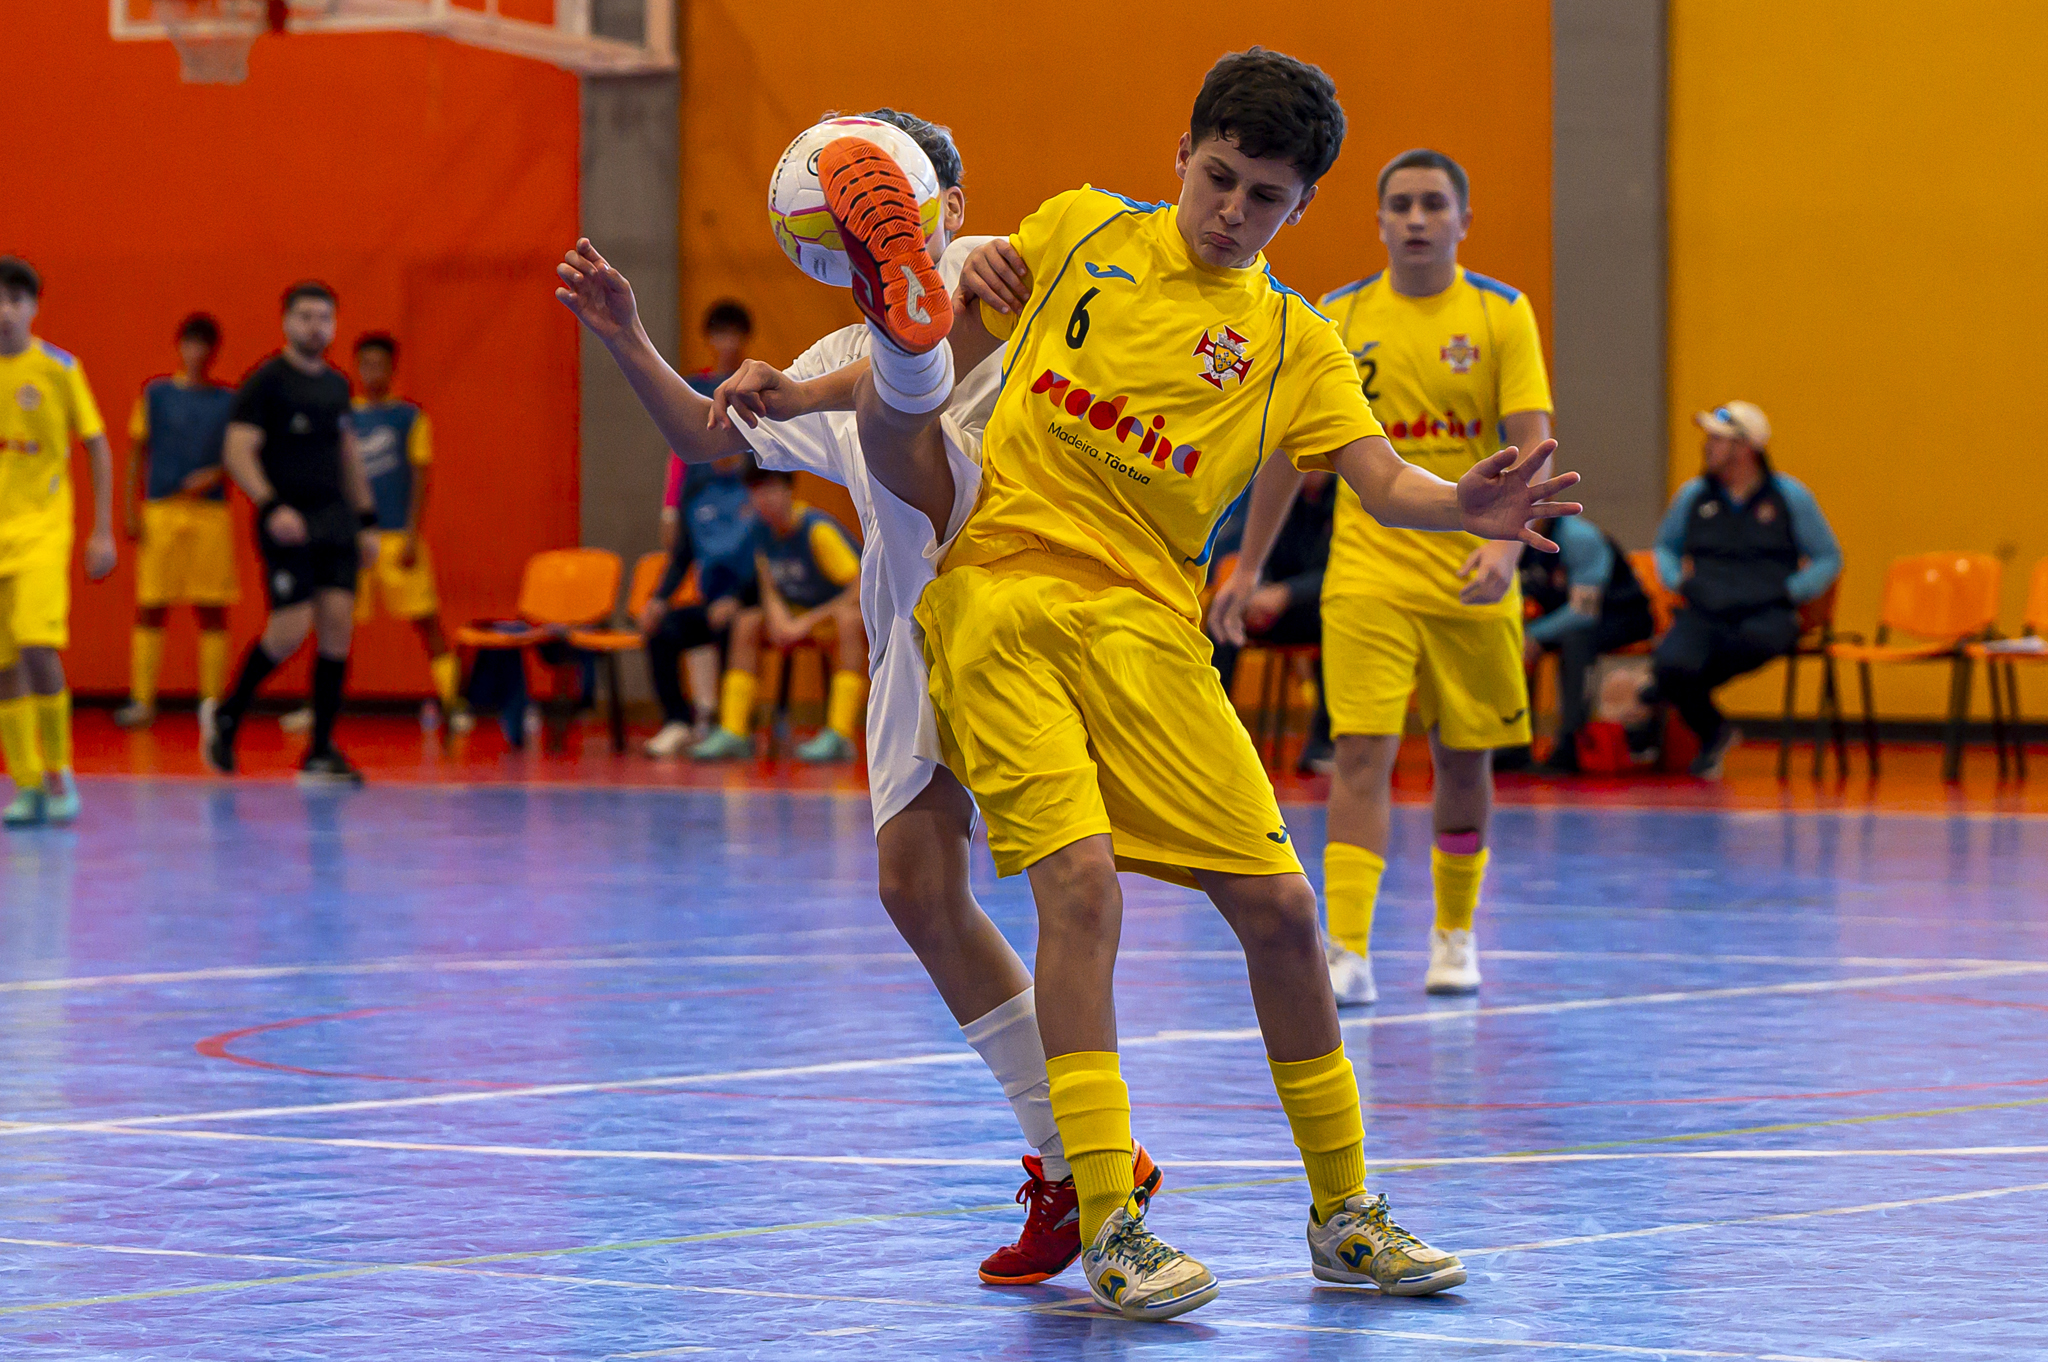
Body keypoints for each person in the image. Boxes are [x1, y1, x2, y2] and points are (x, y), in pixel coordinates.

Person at [899, 53, 1576, 1319]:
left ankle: (1343, 1214)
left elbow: (1380, 480)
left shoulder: (1291, 341)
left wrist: (1457, 505)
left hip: (1150, 632)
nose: (1231, 212)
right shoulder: (1078, 227)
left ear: (1297, 209)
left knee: (1276, 908)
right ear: (1181, 153)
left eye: (1263, 197)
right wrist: (959, 269)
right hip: (1001, 602)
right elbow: (931, 309)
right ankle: (1109, 1220)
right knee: (1079, 889)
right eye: (1217, 178)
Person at [557, 105, 1161, 1290]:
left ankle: (1099, 1162)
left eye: (890, 192)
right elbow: (710, 431)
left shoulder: (1017, 294)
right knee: (916, 892)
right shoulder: (837, 356)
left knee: (1065, 893)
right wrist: (628, 337)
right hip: (910, 645)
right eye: (855, 202)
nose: (874, 213)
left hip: (1026, 632)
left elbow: (958, 372)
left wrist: (931, 310)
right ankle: (1080, 1163)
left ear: (948, 196)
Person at [1219, 148, 1555, 1010]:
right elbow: (1288, 458)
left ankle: (1454, 933)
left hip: (1473, 572)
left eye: (1433, 204)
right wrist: (1250, 563)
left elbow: (1532, 447)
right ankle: (1349, 948)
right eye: (1400, 204)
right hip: (1367, 568)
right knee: (1360, 750)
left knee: (1464, 756)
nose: (1415, 218)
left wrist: (1507, 551)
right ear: (1377, 221)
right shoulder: (1335, 317)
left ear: (1462, 221)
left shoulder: (1501, 315)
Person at [205, 282, 381, 785]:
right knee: (288, 631)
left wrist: (367, 520)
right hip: (287, 523)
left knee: (338, 627)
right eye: (304, 316)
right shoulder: (265, 382)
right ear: (286, 321)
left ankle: (321, 748)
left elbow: (348, 453)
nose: (314, 326)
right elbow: (238, 451)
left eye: (323, 317)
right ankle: (229, 713)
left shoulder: (337, 385)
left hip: (334, 522)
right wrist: (270, 505)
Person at [1650, 400, 1841, 778]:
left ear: (1746, 448)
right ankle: (1714, 732)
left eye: (1718, 440)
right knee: (1670, 665)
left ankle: (1652, 694)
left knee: (1755, 641)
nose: (1707, 447)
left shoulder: (1789, 496)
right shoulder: (1693, 495)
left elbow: (1827, 557)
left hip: (1765, 611)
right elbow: (1666, 547)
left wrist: (1793, 591)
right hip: (1705, 609)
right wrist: (1678, 580)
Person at [0, 256, 116, 826]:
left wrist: (101, 530)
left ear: (32, 308)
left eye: (15, 301)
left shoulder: (59, 368)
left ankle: (58, 769)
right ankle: (24, 784)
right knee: (2, 663)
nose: (4, 312)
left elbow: (96, 444)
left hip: (44, 529)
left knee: (36, 645)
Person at [686, 466, 865, 763]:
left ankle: (840, 735)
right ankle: (734, 731)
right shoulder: (760, 533)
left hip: (835, 613)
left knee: (850, 620)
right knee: (747, 621)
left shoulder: (816, 530)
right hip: (801, 614)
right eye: (756, 492)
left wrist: (805, 622)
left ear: (788, 491)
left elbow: (859, 590)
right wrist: (781, 621)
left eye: (770, 490)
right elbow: (768, 587)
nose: (763, 499)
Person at [116, 313, 238, 732]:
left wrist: (216, 473)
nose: (197, 353)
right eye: (191, 344)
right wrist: (131, 510)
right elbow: (136, 453)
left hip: (210, 512)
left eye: (205, 345)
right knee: (151, 605)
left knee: (211, 608)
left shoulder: (228, 400)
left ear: (214, 352)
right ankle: (142, 701)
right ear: (180, 347)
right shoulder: (155, 394)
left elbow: (243, 454)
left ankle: (211, 704)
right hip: (161, 509)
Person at [346, 333, 469, 734]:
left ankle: (454, 703)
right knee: (335, 623)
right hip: (355, 540)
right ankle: (320, 707)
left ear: (392, 369)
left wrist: (414, 534)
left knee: (427, 621)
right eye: (366, 364)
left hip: (398, 536)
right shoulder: (344, 418)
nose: (373, 372)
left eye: (380, 364)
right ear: (357, 367)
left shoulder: (409, 418)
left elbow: (420, 478)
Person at [1208, 469, 1336, 773]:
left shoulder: (1347, 499)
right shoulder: (1278, 496)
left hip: (1323, 606)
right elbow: (1257, 557)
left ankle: (1325, 743)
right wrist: (1255, 594)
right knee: (1224, 615)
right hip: (1275, 608)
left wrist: (1286, 593)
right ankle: (1209, 727)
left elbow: (1344, 571)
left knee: (1340, 623)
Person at [641, 451, 757, 757]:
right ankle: (678, 722)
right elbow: (683, 556)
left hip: (751, 601)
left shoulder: (756, 482)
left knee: (732, 626)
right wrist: (659, 599)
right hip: (712, 602)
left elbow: (768, 553)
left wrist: (738, 598)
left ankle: (730, 725)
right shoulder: (696, 489)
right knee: (662, 630)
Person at [1521, 513, 1654, 774]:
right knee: (1511, 644)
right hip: (1565, 618)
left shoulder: (1578, 537)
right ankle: (1512, 748)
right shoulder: (1513, 542)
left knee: (1575, 643)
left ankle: (1570, 747)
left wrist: (1534, 635)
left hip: (1621, 616)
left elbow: (1583, 612)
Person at [657, 301, 755, 553]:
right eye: (721, 334)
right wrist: (670, 508)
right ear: (709, 339)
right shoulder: (694, 388)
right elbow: (679, 451)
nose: (728, 343)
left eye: (734, 334)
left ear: (745, 337)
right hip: (697, 495)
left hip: (743, 497)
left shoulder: (754, 387)